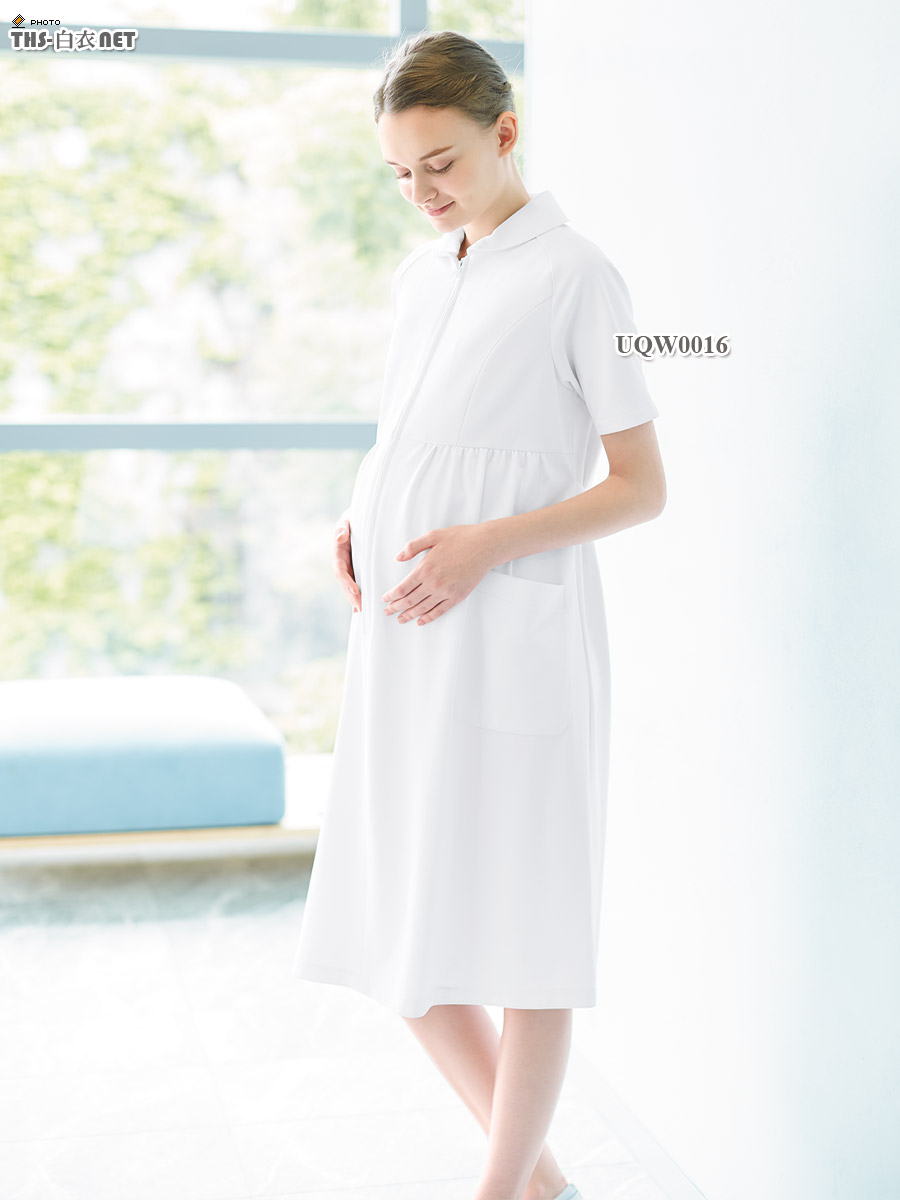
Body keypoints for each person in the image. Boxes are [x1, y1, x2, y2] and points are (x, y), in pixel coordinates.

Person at [292, 29, 667, 1200]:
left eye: (441, 163)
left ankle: (503, 1191)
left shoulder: (579, 277)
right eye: (400, 173)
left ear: (506, 133)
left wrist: (483, 547)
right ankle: (545, 1186)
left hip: (513, 635)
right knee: (395, 925)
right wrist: (360, 514)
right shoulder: (423, 277)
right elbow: (418, 435)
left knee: (527, 938)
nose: (422, 192)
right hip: (406, 636)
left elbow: (641, 487)